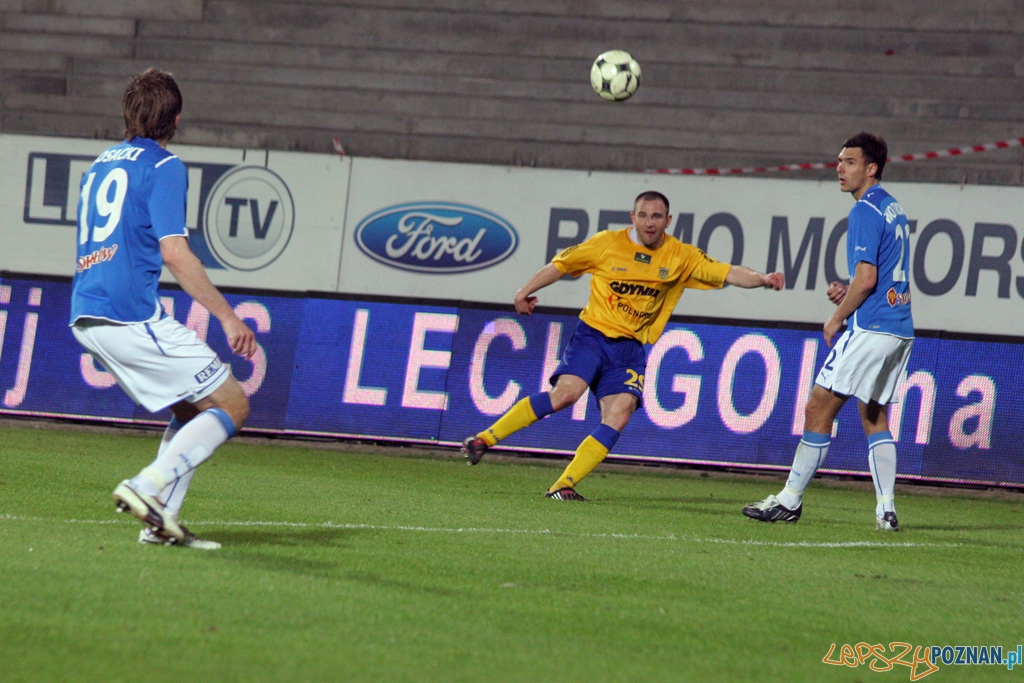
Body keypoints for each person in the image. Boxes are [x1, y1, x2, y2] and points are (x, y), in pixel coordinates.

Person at [462, 190, 785, 499]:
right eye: (643, 215)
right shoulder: (607, 243)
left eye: (656, 217)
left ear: (668, 220)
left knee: (620, 413)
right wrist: (524, 292)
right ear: (632, 217)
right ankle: (483, 440)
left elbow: (727, 273)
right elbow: (561, 264)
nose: (649, 223)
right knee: (565, 395)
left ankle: (562, 485)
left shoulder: (680, 256)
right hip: (593, 337)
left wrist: (762, 279)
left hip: (629, 350)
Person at [70, 68, 257, 550]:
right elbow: (174, 252)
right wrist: (227, 316)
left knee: (192, 407)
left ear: (128, 114)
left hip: (86, 311)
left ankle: (162, 520)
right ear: (175, 120)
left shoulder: (100, 164)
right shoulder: (164, 166)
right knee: (233, 404)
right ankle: (146, 486)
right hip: (128, 314)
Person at [743, 132, 913, 531]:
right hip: (898, 327)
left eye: (850, 162)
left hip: (870, 328)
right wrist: (848, 293)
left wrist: (837, 317)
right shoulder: (891, 206)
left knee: (818, 408)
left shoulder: (863, 211)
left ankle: (789, 500)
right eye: (839, 161)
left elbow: (867, 278)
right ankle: (886, 510)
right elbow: (873, 278)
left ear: (871, 168)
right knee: (873, 414)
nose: (840, 168)